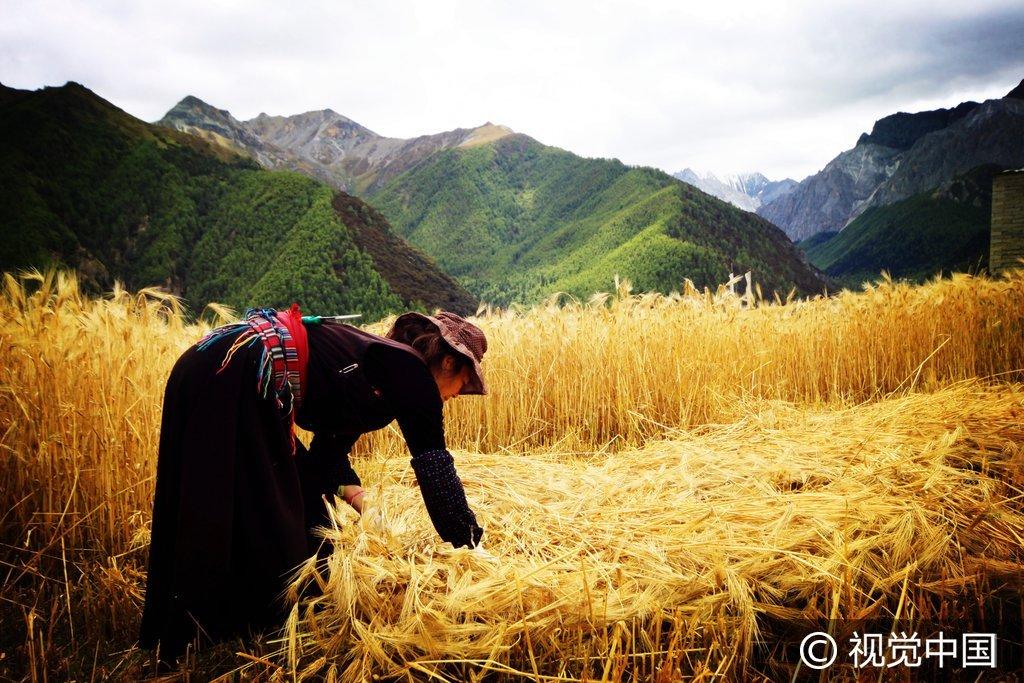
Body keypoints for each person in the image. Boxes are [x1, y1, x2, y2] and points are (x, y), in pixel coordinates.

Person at [138, 304, 488, 664]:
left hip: (211, 364)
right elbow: (434, 467)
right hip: (233, 374)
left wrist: (363, 503)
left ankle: (220, 633)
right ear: (448, 362)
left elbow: (326, 458)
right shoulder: (411, 374)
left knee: (307, 510)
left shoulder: (383, 367)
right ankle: (223, 636)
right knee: (256, 517)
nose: (459, 394)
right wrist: (468, 545)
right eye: (465, 381)